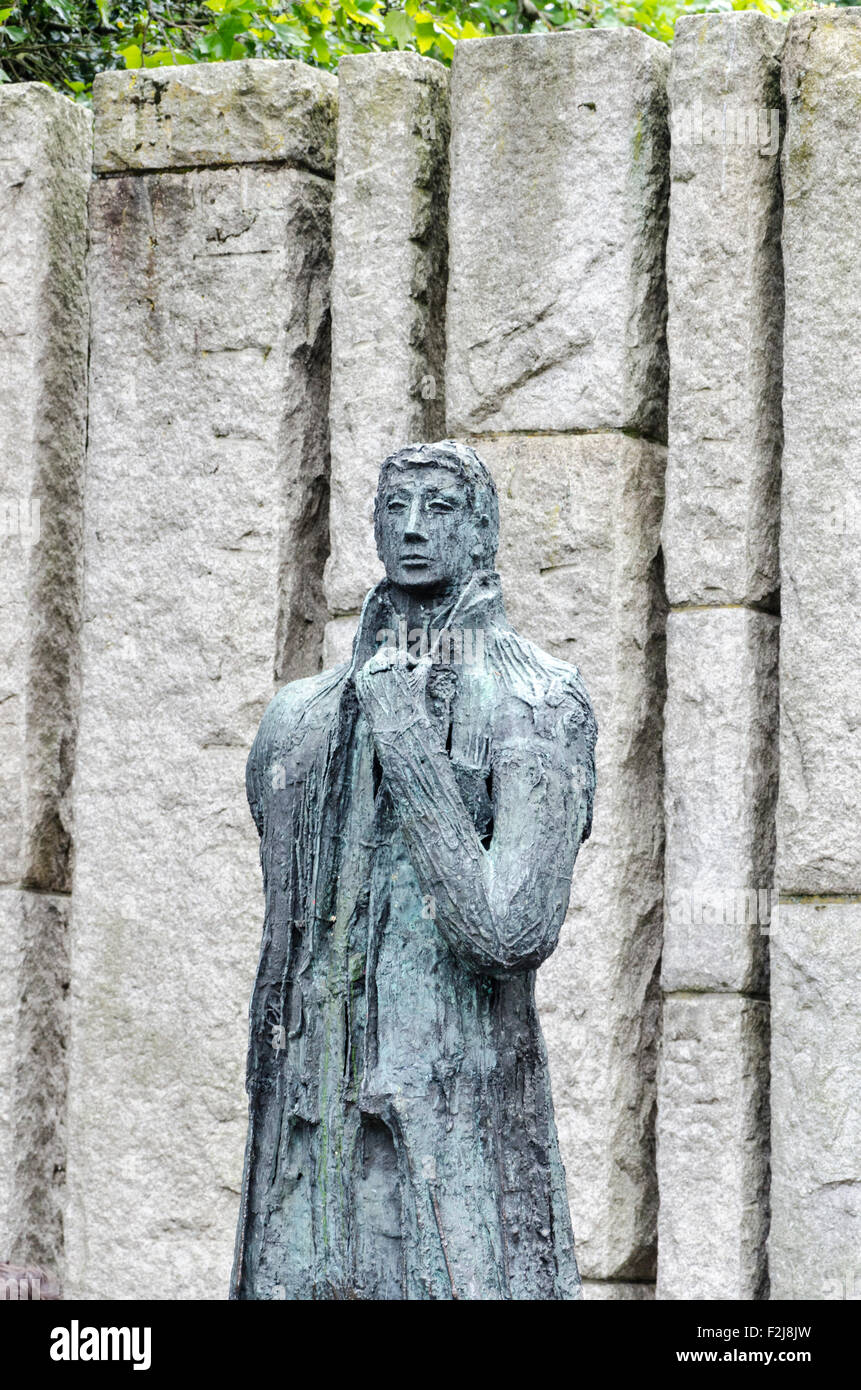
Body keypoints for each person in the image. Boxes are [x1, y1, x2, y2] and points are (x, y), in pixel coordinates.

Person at [231, 439, 597, 1300]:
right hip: (305, 1127)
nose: (411, 529)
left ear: (482, 533)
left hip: (451, 1134)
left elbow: (509, 931)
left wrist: (406, 741)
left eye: (438, 509)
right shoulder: (299, 718)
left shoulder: (538, 699)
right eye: (394, 509)